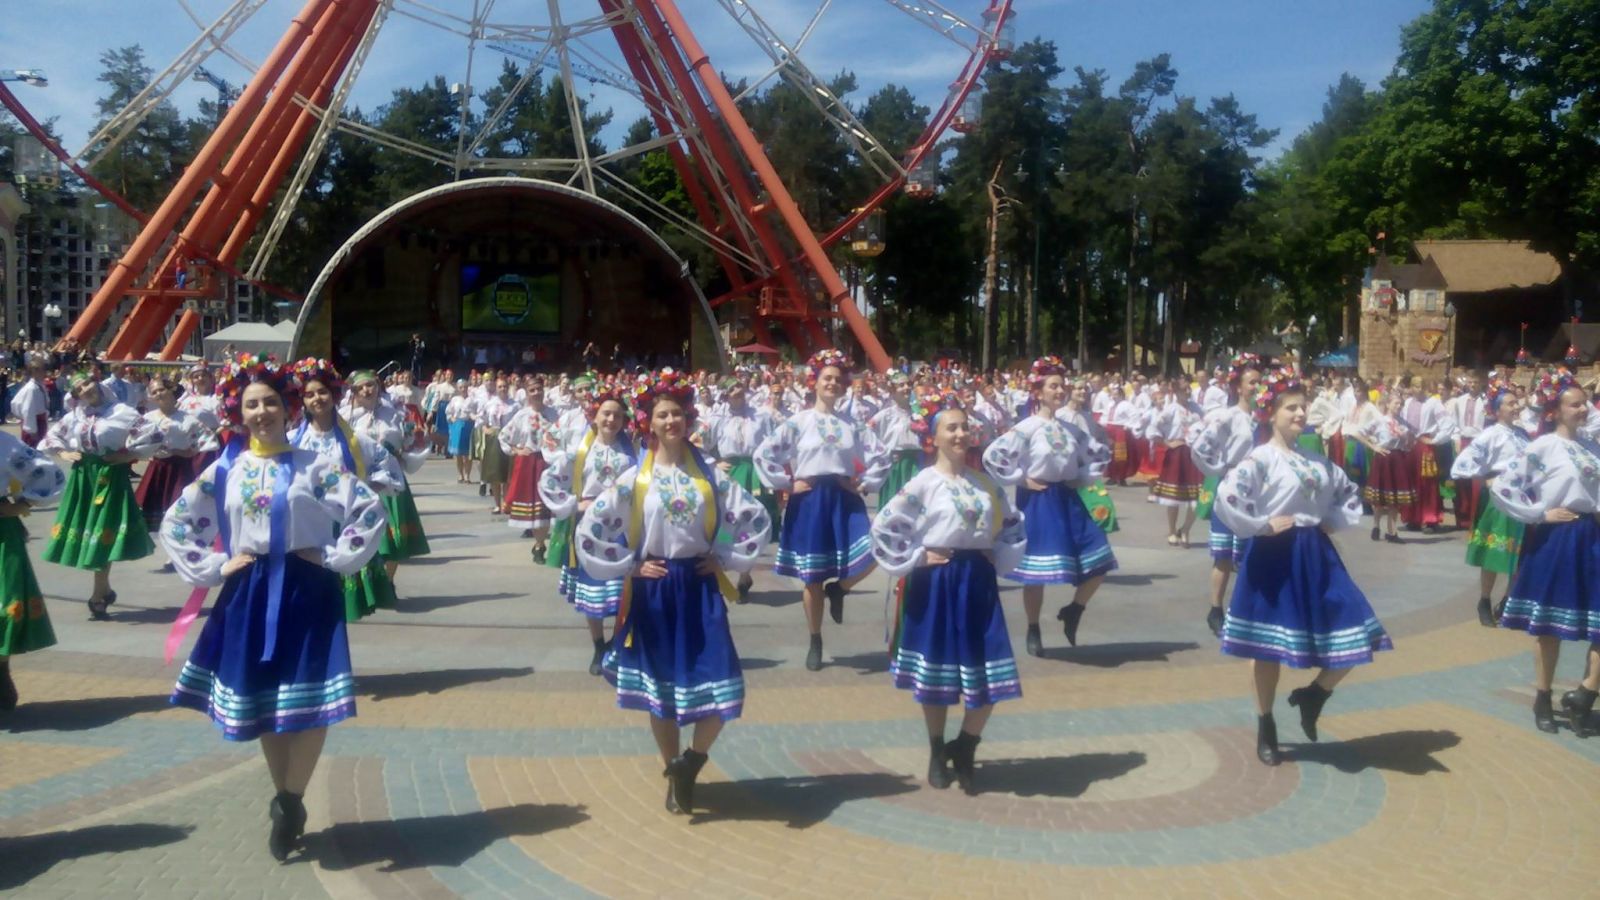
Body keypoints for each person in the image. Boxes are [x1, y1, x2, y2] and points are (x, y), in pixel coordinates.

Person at [160, 354, 387, 860]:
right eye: (251, 404)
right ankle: (286, 799)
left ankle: (290, 801)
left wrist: (332, 555)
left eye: (269, 403)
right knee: (264, 700)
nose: (261, 412)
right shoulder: (226, 469)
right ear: (238, 413)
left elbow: (371, 509)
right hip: (250, 590)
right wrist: (217, 564)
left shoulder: (316, 466)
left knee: (309, 703)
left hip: (308, 591)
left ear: (287, 409)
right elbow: (176, 522)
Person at [576, 369, 770, 815]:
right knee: (661, 692)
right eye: (662, 414)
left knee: (723, 687)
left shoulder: (710, 475)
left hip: (700, 588)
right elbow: (590, 530)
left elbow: (755, 517)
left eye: (677, 414)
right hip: (655, 590)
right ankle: (672, 773)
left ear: (689, 419)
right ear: (648, 421)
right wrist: (629, 564)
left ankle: (692, 762)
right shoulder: (634, 478)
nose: (671, 422)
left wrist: (723, 553)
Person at [1213, 365, 1391, 766]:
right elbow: (1226, 498)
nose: (1299, 414)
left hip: (1316, 554)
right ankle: (1266, 724)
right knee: (1267, 649)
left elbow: (1348, 493)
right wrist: (1260, 525)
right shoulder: (1259, 459)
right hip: (1274, 557)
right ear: (1271, 414)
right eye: (1291, 407)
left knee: (1357, 631)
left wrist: (1334, 520)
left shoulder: (1317, 461)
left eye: (1302, 407)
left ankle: (1315, 693)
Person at [872, 392, 1026, 794]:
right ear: (934, 437)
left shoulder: (985, 483)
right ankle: (938, 750)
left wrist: (999, 553)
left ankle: (967, 745)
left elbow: (1010, 523)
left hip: (977, 581)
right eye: (951, 427)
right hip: (937, 582)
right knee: (937, 676)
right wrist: (919, 556)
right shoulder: (923, 483)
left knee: (990, 670)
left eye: (964, 426)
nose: (960, 434)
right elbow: (885, 527)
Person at [754, 349, 889, 671]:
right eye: (827, 378)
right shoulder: (798, 423)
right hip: (810, 500)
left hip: (843, 497)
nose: (833, 383)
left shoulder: (853, 424)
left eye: (838, 379)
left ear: (844, 386)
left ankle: (840, 589)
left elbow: (881, 456)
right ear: (814, 382)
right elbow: (763, 454)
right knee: (812, 577)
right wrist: (786, 482)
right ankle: (815, 639)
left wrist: (863, 484)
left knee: (877, 549)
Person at [1488, 368, 1600, 736]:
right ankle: (1543, 696)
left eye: (1584, 403)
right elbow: (1504, 487)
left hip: (1593, 535)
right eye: (1575, 405)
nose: (1583, 409)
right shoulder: (1543, 447)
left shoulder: (1593, 446)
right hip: (1558, 538)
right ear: (1555, 410)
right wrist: (1539, 513)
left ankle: (1584, 695)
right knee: (1550, 628)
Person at [984, 356, 1116, 655]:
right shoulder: (1027, 428)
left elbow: (1099, 454)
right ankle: (1033, 628)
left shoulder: (1071, 429)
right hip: (1039, 501)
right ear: (1038, 392)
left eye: (1062, 386)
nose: (1060, 391)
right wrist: (1021, 479)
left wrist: (1081, 477)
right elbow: (993, 456)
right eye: (1053, 386)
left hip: (1069, 499)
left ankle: (1074, 609)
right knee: (1035, 573)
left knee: (1100, 560)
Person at [289, 359, 407, 622]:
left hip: (340, 530)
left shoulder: (356, 441)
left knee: (335, 607)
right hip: (305, 531)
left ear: (333, 395)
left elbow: (389, 469)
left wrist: (366, 486)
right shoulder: (294, 441)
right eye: (309, 394)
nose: (317, 398)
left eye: (322, 392)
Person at [40, 371, 156, 620]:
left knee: (103, 530)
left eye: (88, 383)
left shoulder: (121, 411)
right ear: (76, 394)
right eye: (80, 388)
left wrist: (127, 456)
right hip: (84, 477)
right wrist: (63, 453)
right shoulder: (76, 415)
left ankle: (98, 594)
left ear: (97, 383)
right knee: (89, 530)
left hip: (109, 477)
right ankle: (103, 590)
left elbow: (154, 435)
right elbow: (52, 435)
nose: (86, 389)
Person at [540, 388, 637, 675]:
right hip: (589, 528)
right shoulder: (580, 449)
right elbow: (550, 480)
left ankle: (621, 646)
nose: (612, 419)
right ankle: (598, 646)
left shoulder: (632, 448)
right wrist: (573, 503)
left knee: (624, 592)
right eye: (606, 413)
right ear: (594, 416)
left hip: (622, 527)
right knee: (593, 592)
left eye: (618, 415)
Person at [1191, 353, 1264, 637]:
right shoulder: (1228, 416)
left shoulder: (1264, 419)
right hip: (1231, 491)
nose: (1256, 388)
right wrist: (1220, 470)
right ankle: (1215, 610)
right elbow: (1200, 447)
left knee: (1250, 555)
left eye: (1260, 383)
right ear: (1237, 387)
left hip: (1257, 494)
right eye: (1251, 383)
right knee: (1223, 556)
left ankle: (1244, 612)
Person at [1448, 378, 1530, 626]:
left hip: (1522, 498)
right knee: (1496, 550)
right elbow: (1464, 462)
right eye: (1510, 403)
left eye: (1516, 403)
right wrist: (1484, 479)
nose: (1516, 407)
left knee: (1518, 551)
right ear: (1496, 410)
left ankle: (1507, 599)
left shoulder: (1523, 433)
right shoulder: (1490, 435)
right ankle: (1484, 599)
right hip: (1499, 499)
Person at [0, 430, 68, 711]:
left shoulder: (3, 443)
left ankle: (0, 671)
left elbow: (48, 472)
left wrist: (23, 504)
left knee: (5, 605)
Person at [347, 371, 431, 593]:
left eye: (371, 385)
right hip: (362, 483)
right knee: (365, 535)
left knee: (395, 539)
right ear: (354, 392)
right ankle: (368, 583)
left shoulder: (393, 412)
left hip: (391, 481)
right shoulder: (347, 417)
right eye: (362, 387)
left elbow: (410, 440)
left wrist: (410, 442)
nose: (368, 390)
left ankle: (388, 581)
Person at [702, 375, 779, 597]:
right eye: (732, 388)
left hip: (754, 473)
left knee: (754, 521)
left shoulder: (760, 416)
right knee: (728, 522)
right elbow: (699, 443)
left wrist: (768, 464)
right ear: (725, 395)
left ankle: (745, 571)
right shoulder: (717, 419)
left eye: (739, 387)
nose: (738, 390)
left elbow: (774, 442)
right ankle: (733, 561)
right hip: (731, 473)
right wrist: (714, 462)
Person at [131, 374, 219, 568]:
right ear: (151, 397)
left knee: (178, 510)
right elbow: (132, 440)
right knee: (161, 512)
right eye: (154, 392)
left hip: (180, 469)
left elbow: (208, 440)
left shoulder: (188, 419)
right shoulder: (147, 419)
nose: (159, 394)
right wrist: (145, 451)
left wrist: (189, 452)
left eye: (162, 389)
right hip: (158, 469)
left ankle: (177, 553)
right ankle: (171, 549)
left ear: (171, 390)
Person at [1357, 391, 1417, 544]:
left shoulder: (1403, 423)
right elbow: (1358, 433)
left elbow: (1411, 441)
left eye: (1400, 404)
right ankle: (1376, 526)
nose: (1399, 406)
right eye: (1396, 403)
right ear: (1388, 404)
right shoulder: (1379, 421)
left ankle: (1392, 531)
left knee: (1394, 498)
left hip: (1398, 459)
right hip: (1383, 458)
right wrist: (1373, 447)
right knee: (1380, 497)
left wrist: (1409, 442)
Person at [10, 357, 48, 448]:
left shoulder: (39, 386)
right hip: (34, 426)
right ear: (34, 372)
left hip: (40, 423)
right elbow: (28, 410)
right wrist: (32, 430)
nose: (45, 373)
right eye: (42, 370)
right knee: (32, 452)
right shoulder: (31, 388)